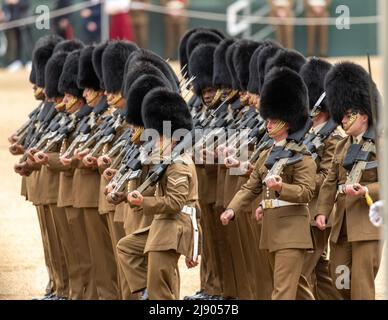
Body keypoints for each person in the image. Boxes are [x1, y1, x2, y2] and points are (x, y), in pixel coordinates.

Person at [221, 67, 316, 300]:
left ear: (287, 122)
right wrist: (232, 208)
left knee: (281, 293)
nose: (268, 124)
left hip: (292, 231)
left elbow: (305, 193)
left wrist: (281, 187)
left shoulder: (302, 156)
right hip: (272, 231)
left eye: (274, 120)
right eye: (268, 119)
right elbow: (251, 186)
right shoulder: (267, 154)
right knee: (299, 291)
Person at [315, 62, 382, 300]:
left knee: (362, 286)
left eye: (348, 115)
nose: (343, 121)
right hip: (341, 225)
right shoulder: (342, 146)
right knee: (340, 279)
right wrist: (322, 211)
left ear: (363, 115)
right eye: (341, 115)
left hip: (366, 225)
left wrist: (367, 189)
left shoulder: (380, 144)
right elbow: (330, 182)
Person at [124, 87, 198, 300]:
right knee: (126, 248)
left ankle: (152, 293)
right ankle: (145, 290)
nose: (154, 142)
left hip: (173, 227)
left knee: (161, 292)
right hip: (163, 224)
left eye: (159, 138)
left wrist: (143, 202)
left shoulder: (179, 164)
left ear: (173, 139)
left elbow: (175, 203)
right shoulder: (165, 162)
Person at [296, 57, 344, 300]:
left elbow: (328, 177)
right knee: (319, 269)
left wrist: (299, 182)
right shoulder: (309, 133)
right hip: (306, 211)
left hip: (318, 215)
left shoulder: (333, 137)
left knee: (300, 272)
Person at [1, 0, 33, 70]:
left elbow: (27, 4)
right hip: (13, 20)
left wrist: (16, 2)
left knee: (27, 41)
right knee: (16, 42)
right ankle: (16, 61)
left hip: (25, 20)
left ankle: (31, 61)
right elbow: (5, 6)